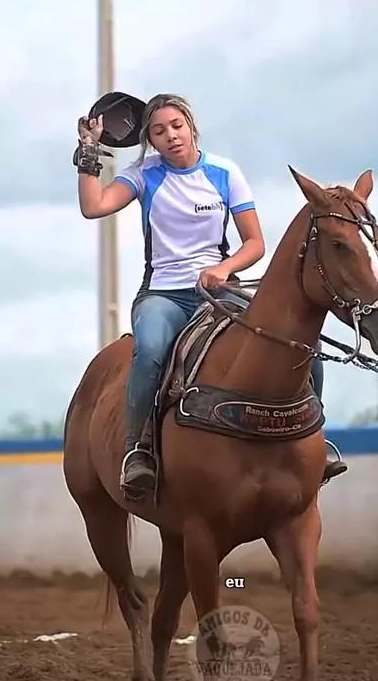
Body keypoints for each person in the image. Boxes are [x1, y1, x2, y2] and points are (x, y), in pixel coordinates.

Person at [75, 93, 346, 496]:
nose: (171, 136)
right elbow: (93, 206)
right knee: (149, 351)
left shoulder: (225, 172)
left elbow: (255, 243)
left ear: (191, 126)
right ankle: (139, 449)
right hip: (164, 294)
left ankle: (314, 440)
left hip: (220, 292)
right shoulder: (143, 175)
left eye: (177, 126)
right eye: (159, 131)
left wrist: (223, 269)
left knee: (300, 343)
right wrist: (88, 151)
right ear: (150, 140)